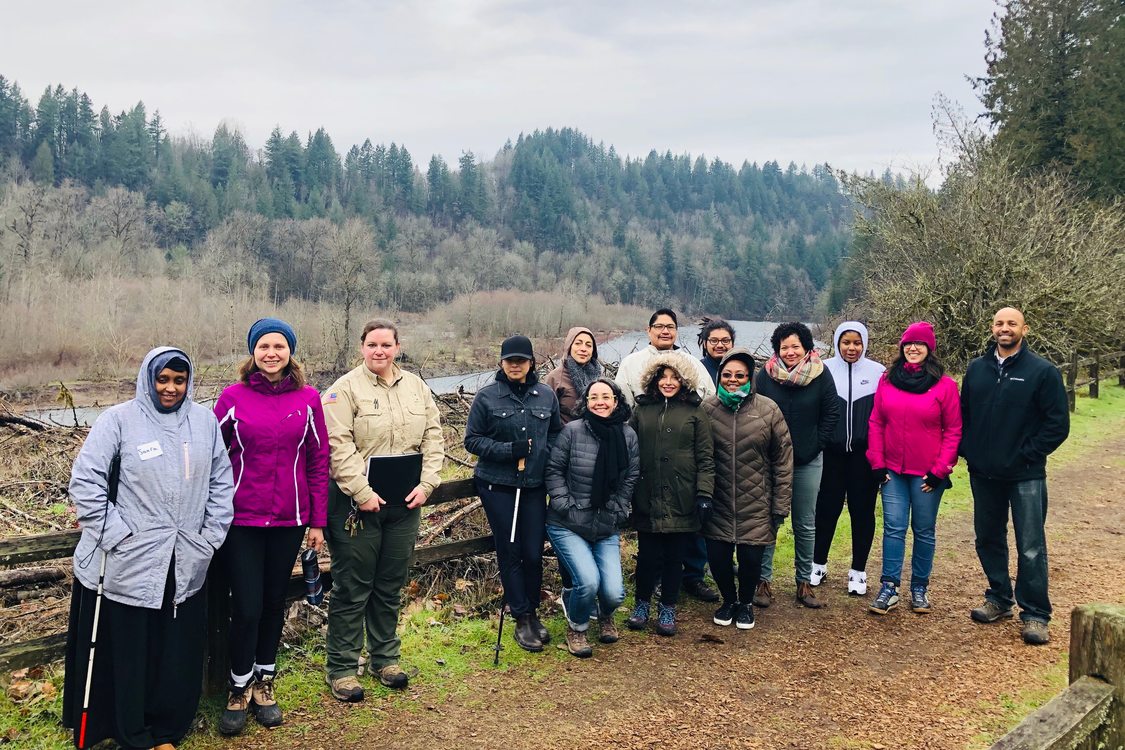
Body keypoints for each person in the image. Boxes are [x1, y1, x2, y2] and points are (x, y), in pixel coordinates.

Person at [63, 347, 234, 750]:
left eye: (179, 380)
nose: (171, 388)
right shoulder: (118, 421)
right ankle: (130, 731)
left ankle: (167, 730)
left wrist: (209, 538)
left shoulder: (204, 422)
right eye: (163, 379)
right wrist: (118, 537)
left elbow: (221, 485)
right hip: (127, 563)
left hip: (185, 559)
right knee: (131, 653)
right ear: (148, 379)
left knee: (173, 652)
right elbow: (86, 483)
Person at [213, 318, 330, 735]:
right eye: (263, 346)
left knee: (273, 602)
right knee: (246, 605)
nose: (271, 353)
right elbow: (213, 457)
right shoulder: (232, 398)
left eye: (279, 346)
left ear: (290, 352)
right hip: (240, 519)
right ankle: (238, 686)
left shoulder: (309, 399)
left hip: (289, 519)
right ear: (252, 352)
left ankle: (266, 681)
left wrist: (318, 520)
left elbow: (318, 462)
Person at [321, 319, 444, 701]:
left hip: (404, 504)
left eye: (386, 345)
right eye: (372, 344)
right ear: (362, 347)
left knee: (390, 583)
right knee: (353, 586)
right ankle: (341, 668)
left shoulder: (417, 388)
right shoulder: (343, 391)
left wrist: (427, 485)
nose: (379, 351)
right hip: (356, 506)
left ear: (397, 346)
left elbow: (434, 436)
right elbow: (337, 446)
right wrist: (360, 491)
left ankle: (384, 658)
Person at [962, 307, 1069, 645]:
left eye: (1011, 323)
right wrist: (970, 451)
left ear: (1025, 329)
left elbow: (1057, 424)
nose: (1004, 328)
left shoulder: (1042, 372)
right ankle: (998, 598)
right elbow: (964, 416)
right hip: (984, 472)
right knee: (987, 538)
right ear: (991, 328)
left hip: (1026, 475)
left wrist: (1028, 453)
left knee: (1031, 546)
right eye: (998, 323)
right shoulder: (976, 370)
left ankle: (1036, 614)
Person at [465, 335, 563, 653]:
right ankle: (521, 616)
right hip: (498, 486)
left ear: (532, 362)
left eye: (522, 360)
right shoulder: (487, 398)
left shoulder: (545, 396)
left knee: (533, 553)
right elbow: (473, 440)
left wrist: (546, 459)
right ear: (502, 363)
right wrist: (509, 450)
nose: (516, 365)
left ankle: (532, 611)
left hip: (534, 486)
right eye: (510, 360)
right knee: (510, 550)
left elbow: (557, 433)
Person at [615, 308, 718, 603]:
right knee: (650, 541)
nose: (665, 331)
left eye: (670, 326)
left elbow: (708, 401)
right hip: (648, 459)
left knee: (686, 532)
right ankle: (649, 592)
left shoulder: (690, 364)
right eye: (659, 326)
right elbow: (621, 407)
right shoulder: (631, 363)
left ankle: (692, 578)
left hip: (682, 466)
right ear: (649, 331)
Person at [866, 322, 962, 616]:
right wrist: (876, 462)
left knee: (923, 530)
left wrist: (940, 470)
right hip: (892, 471)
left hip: (927, 475)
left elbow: (953, 430)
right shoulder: (887, 380)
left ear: (929, 349)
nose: (913, 348)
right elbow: (876, 422)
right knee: (894, 528)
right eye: (908, 344)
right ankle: (889, 587)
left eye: (919, 344)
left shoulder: (945, 386)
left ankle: (919, 587)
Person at [545, 378, 639, 657]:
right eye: (594, 397)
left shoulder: (627, 435)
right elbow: (554, 470)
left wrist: (620, 506)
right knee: (587, 582)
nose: (600, 402)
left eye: (606, 397)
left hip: (606, 524)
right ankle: (577, 627)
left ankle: (605, 615)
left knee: (613, 593)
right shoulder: (572, 431)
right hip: (568, 523)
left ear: (616, 401)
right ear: (585, 403)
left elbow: (632, 474)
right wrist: (563, 503)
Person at [701, 349, 793, 631]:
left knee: (751, 559)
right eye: (727, 375)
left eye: (739, 375)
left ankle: (746, 603)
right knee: (718, 558)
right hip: (718, 500)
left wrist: (780, 505)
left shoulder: (768, 409)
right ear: (719, 377)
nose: (733, 380)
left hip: (757, 501)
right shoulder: (707, 409)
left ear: (749, 378)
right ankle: (728, 600)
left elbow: (783, 458)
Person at [626, 353, 715, 636]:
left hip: (682, 495)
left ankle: (668, 607)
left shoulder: (694, 411)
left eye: (674, 377)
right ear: (653, 379)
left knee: (676, 556)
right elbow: (630, 451)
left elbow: (706, 457)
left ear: (684, 380)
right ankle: (641, 604)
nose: (668, 382)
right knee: (648, 556)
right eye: (662, 377)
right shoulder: (642, 410)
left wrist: (704, 493)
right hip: (647, 494)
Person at [752, 322, 839, 609]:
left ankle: (804, 583)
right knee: (768, 521)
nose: (790, 352)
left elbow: (831, 413)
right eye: (784, 347)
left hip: (807, 460)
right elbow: (753, 411)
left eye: (795, 346)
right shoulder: (764, 376)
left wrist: (816, 445)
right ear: (777, 350)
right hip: (769, 462)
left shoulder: (821, 374)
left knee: (805, 523)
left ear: (806, 348)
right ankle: (762, 582)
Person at [812, 321, 885, 595]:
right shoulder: (824, 368)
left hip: (864, 457)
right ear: (837, 342)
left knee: (862, 511)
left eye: (857, 343)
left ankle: (858, 571)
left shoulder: (878, 372)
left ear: (864, 343)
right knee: (826, 509)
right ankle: (818, 564)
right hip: (830, 455)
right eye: (846, 342)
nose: (851, 348)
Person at [543, 326, 603, 424]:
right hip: (566, 436)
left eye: (588, 345)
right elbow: (545, 415)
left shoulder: (598, 377)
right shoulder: (555, 377)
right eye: (578, 343)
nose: (583, 349)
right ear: (569, 346)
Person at [698, 317, 736, 387]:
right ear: (705, 344)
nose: (720, 345)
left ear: (732, 343)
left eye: (725, 341)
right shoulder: (697, 370)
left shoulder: (741, 369)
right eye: (714, 341)